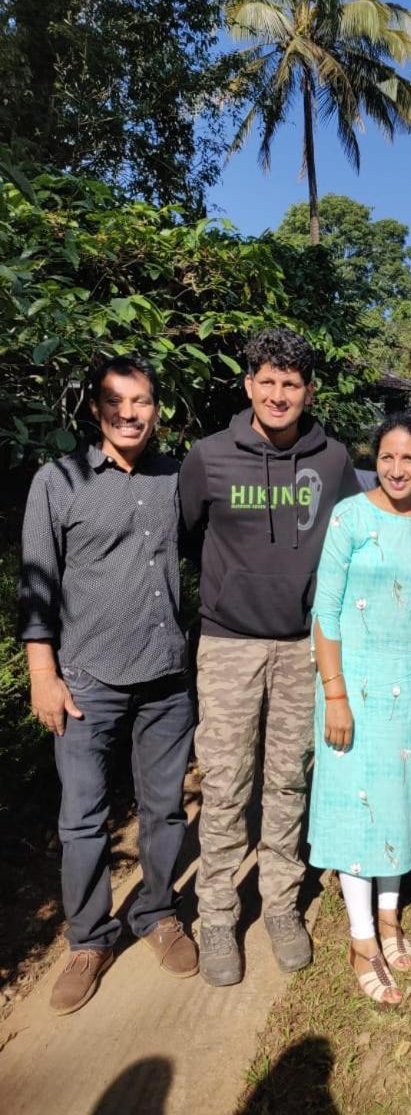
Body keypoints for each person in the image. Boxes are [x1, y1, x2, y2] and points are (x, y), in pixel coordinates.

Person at [19, 355, 198, 1016]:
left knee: (165, 811)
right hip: (86, 682)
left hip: (166, 679)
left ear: (156, 408)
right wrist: (44, 674)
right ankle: (89, 940)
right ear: (96, 409)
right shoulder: (59, 482)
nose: (131, 413)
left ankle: (158, 914)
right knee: (84, 822)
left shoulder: (176, 478)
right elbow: (36, 584)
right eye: (117, 402)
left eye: (143, 401)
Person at [180, 328, 358, 987]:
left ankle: (281, 904)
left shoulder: (333, 460)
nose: (279, 394)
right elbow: (182, 535)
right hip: (227, 644)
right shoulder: (209, 457)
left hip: (300, 646)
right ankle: (219, 914)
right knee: (225, 785)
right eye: (268, 381)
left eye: (292, 383)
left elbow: (347, 545)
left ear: (307, 391)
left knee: (288, 781)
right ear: (249, 384)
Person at [308, 410, 411, 1006]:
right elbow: (325, 610)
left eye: (410, 457)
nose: (397, 468)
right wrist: (335, 694)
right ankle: (360, 938)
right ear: (376, 459)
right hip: (352, 680)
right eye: (388, 456)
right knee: (357, 806)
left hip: (410, 680)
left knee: (397, 798)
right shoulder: (349, 518)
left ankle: (391, 917)